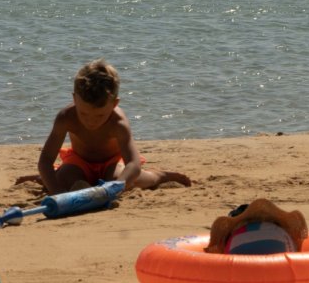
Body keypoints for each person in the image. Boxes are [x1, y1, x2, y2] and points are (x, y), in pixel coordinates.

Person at [28, 60, 190, 193]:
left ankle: (158, 176)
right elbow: (45, 161)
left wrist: (115, 188)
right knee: (65, 179)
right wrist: (56, 192)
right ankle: (48, 178)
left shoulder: (118, 122)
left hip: (113, 163)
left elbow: (133, 163)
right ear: (74, 99)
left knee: (126, 179)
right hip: (79, 161)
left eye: (100, 115)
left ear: (114, 104)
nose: (91, 121)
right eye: (84, 114)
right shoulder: (66, 118)